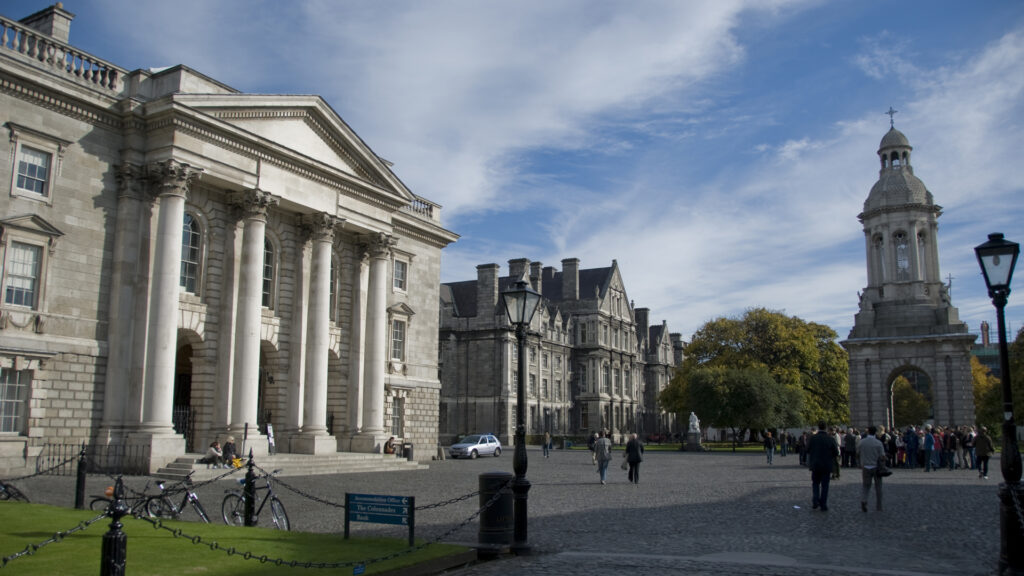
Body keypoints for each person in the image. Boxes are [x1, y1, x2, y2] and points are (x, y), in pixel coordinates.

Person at [807, 420, 838, 511]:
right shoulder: (830, 439)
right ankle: (823, 504)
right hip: (826, 465)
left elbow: (807, 449)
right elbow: (836, 452)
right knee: (825, 486)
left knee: (815, 483)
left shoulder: (813, 438)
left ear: (818, 427)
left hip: (816, 465)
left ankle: (815, 500)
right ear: (826, 427)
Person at [857, 425, 886, 512]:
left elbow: (857, 453)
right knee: (878, 487)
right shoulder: (878, 443)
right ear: (875, 432)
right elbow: (882, 456)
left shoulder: (862, 442)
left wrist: (860, 462)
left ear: (868, 432)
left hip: (865, 466)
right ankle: (879, 506)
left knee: (866, 486)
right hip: (876, 467)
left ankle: (864, 500)